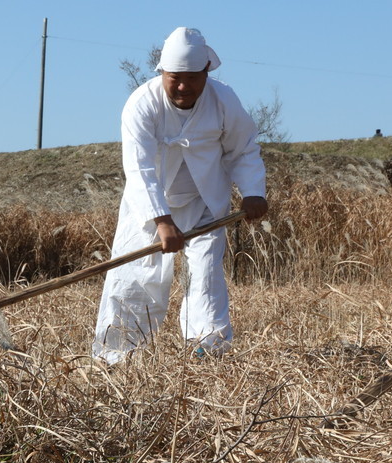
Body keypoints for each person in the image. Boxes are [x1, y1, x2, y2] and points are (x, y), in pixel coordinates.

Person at [92, 27, 268, 363]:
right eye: (175, 78)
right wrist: (162, 220)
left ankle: (208, 350)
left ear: (206, 73)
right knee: (136, 278)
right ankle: (116, 358)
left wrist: (253, 192)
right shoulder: (141, 105)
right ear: (162, 73)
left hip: (205, 204)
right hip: (148, 208)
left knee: (204, 275)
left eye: (192, 78)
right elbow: (139, 167)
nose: (184, 87)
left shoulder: (224, 100)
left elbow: (243, 150)